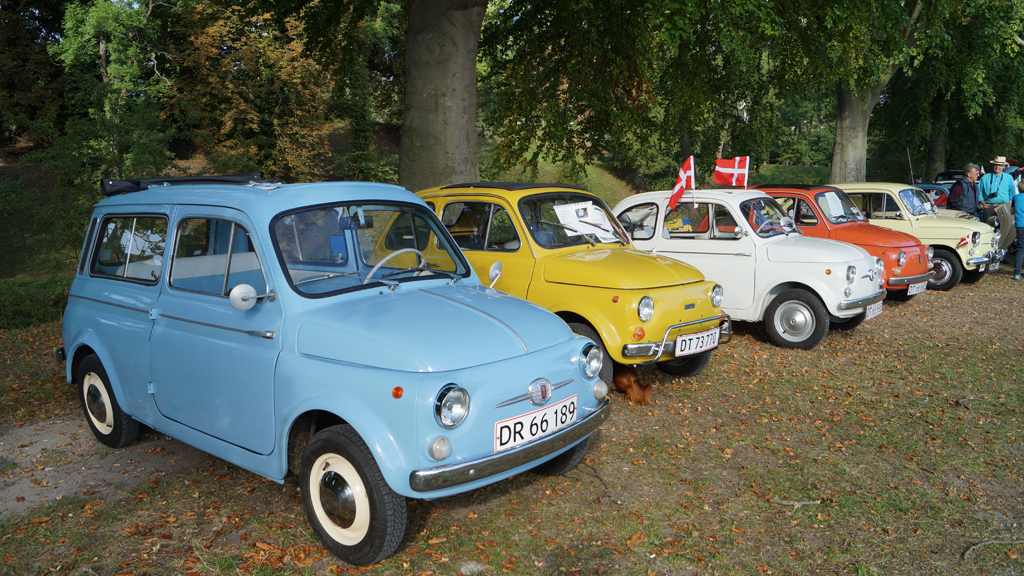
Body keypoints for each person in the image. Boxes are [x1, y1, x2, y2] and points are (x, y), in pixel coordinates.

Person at [1013, 179, 1024, 280]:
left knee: (1020, 249)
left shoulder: (1015, 198)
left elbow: (1012, 211)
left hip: (1020, 225)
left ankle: (1017, 273)